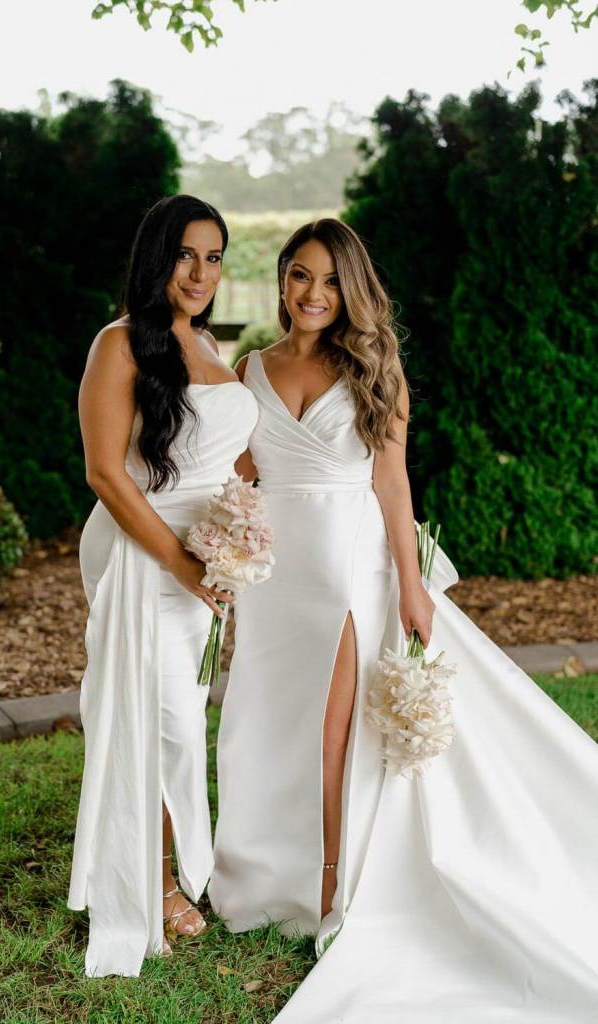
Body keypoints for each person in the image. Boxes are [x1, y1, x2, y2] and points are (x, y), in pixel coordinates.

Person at [209, 218, 598, 1021]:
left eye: (327, 280)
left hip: (351, 572)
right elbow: (242, 475)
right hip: (275, 580)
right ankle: (260, 877)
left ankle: (330, 887)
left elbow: (391, 483)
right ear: (281, 280)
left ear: (351, 287)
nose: (312, 294)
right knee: (262, 723)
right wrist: (226, 545)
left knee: (331, 736)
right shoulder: (248, 368)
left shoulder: (374, 367)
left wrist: (412, 586)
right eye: (298, 276)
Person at [67, 195, 258, 977]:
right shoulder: (120, 344)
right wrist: (183, 562)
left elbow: (230, 459)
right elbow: (106, 474)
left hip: (203, 560)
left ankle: (169, 869)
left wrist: (240, 538)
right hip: (141, 554)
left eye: (214, 258)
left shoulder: (207, 343)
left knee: (173, 716)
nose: (200, 273)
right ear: (156, 257)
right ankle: (149, 885)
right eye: (186, 255)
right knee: (168, 721)